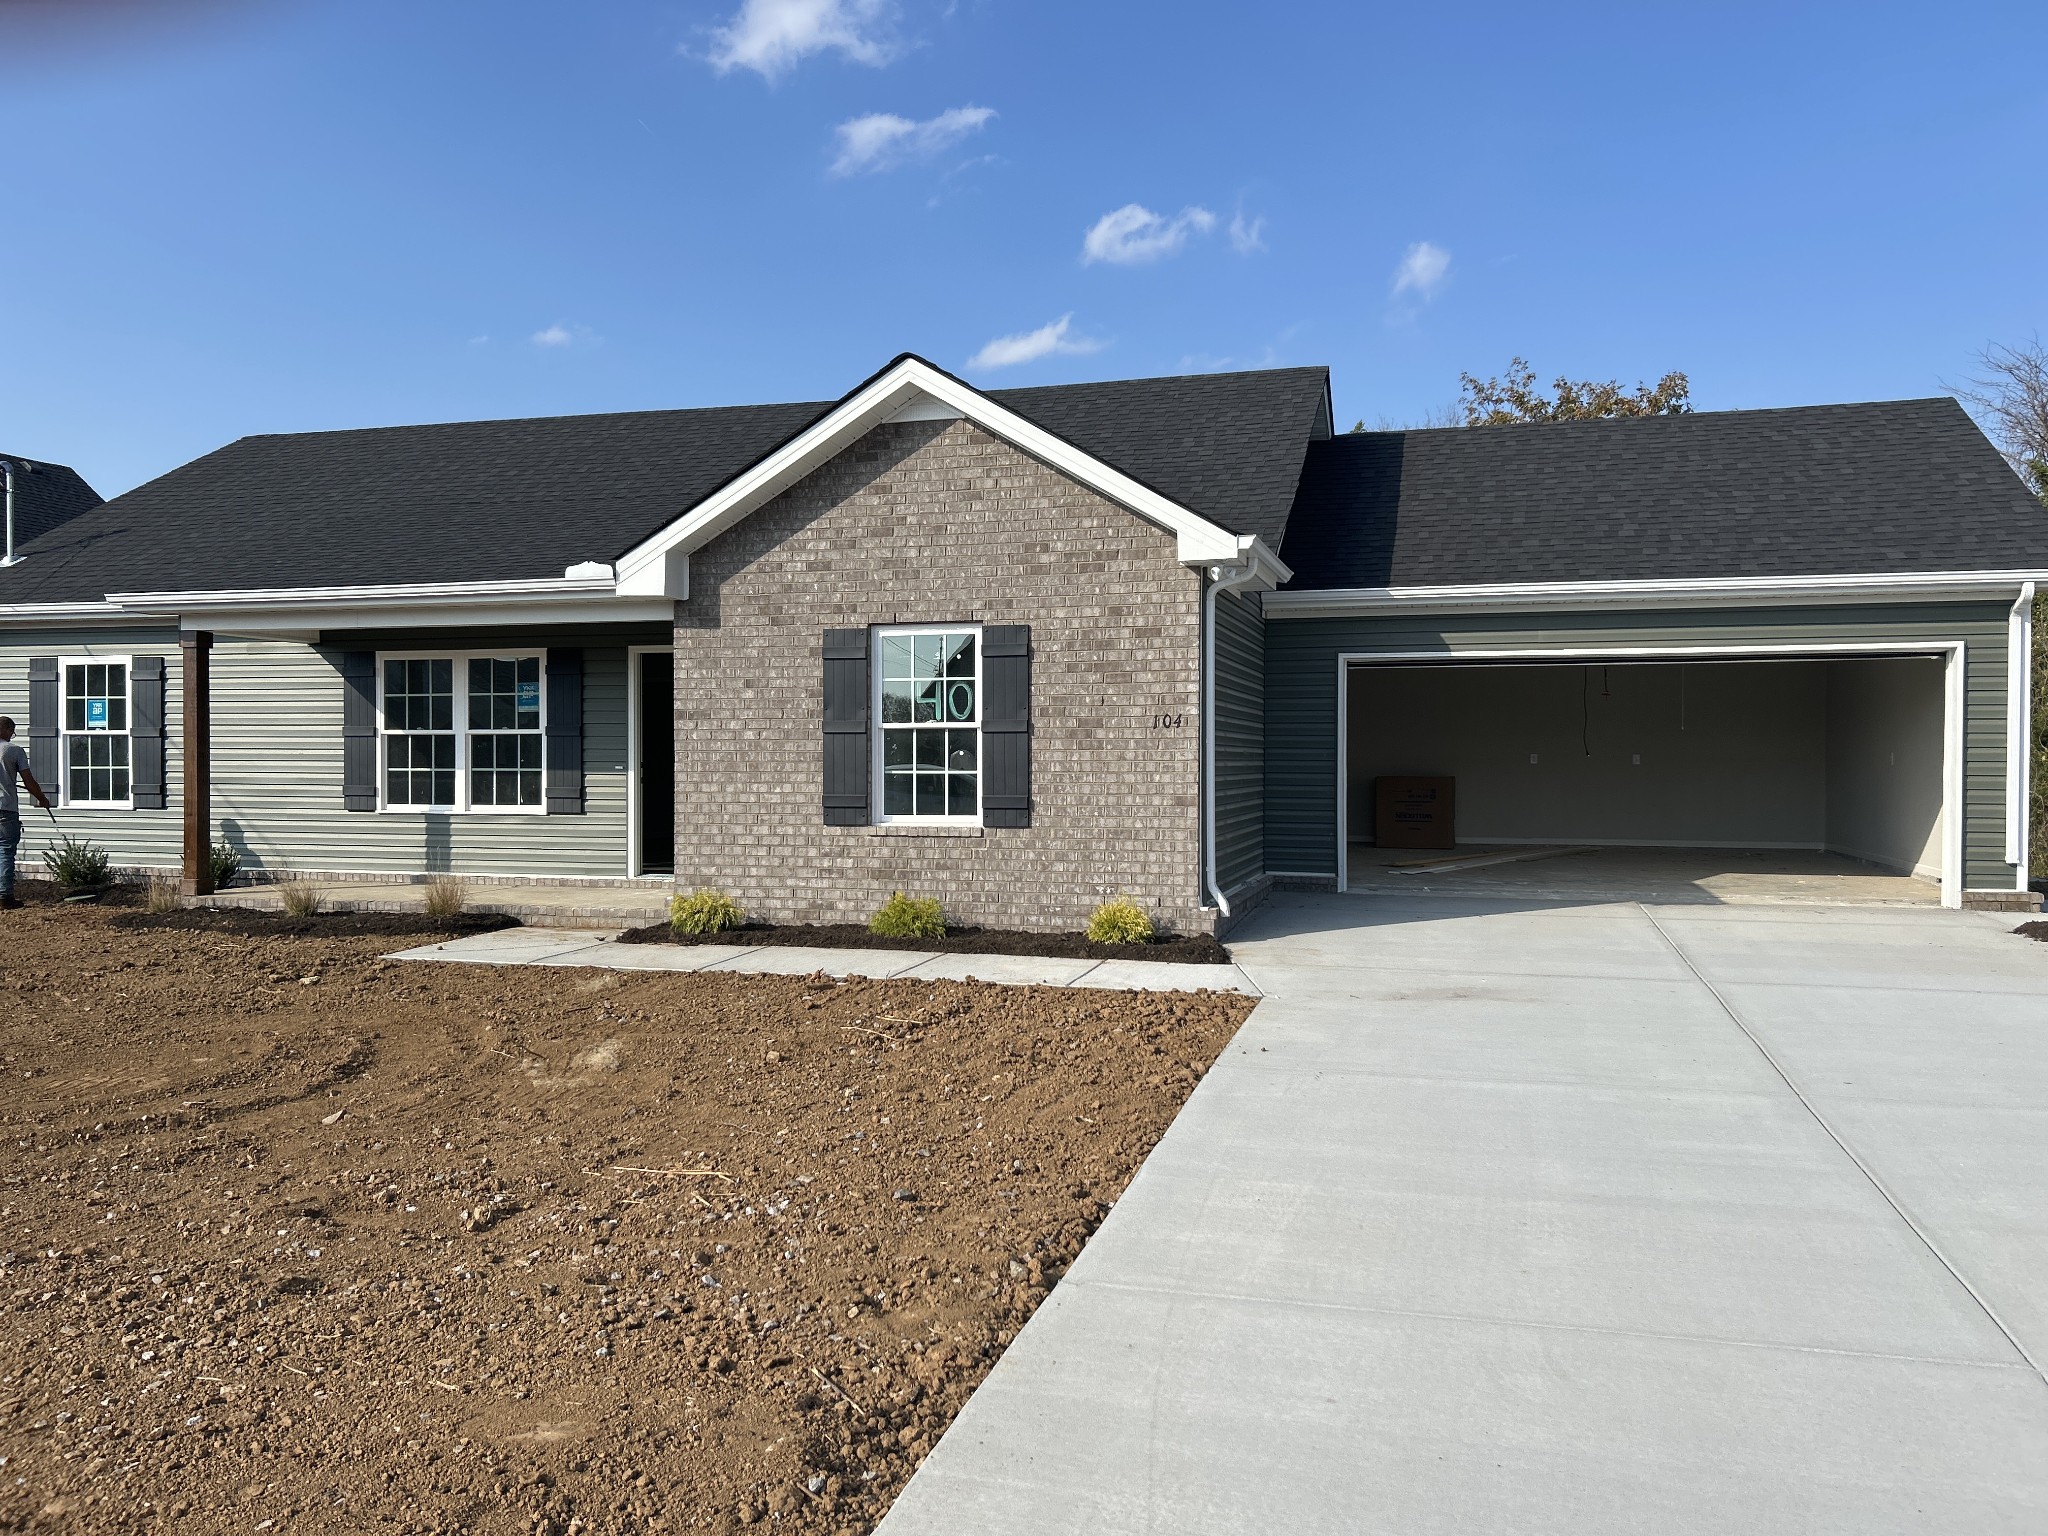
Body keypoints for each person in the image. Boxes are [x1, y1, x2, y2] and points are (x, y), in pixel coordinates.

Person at [0, 715, 52, 911]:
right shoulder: (13, 750)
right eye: (12, 732)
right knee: (5, 851)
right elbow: (28, 781)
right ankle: (4, 896)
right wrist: (42, 798)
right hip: (5, 808)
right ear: (6, 730)